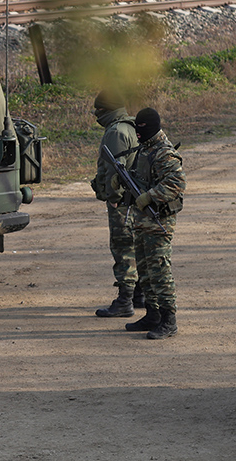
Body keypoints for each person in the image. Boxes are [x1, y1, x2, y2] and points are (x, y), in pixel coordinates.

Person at [122, 107, 185, 339]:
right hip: (142, 223)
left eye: (142, 129)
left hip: (159, 222)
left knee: (159, 271)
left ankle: (169, 320)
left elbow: (177, 182)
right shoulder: (145, 149)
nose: (138, 134)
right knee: (145, 271)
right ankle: (152, 315)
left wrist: (149, 196)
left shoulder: (164, 153)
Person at [90, 90, 146, 318]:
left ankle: (125, 301)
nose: (95, 114)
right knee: (135, 246)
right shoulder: (130, 126)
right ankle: (138, 294)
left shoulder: (115, 131)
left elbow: (116, 169)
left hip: (122, 202)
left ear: (107, 110)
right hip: (132, 199)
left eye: (98, 110)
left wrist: (113, 197)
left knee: (123, 248)